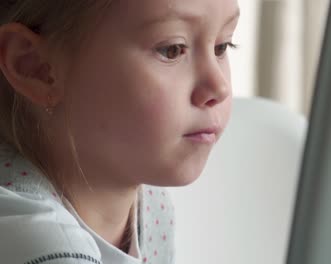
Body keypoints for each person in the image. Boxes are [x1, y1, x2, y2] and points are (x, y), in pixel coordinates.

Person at [0, 0, 239, 263]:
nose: (219, 87)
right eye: (172, 50)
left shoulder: (151, 205)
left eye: (221, 47)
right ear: (37, 68)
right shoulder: (40, 246)